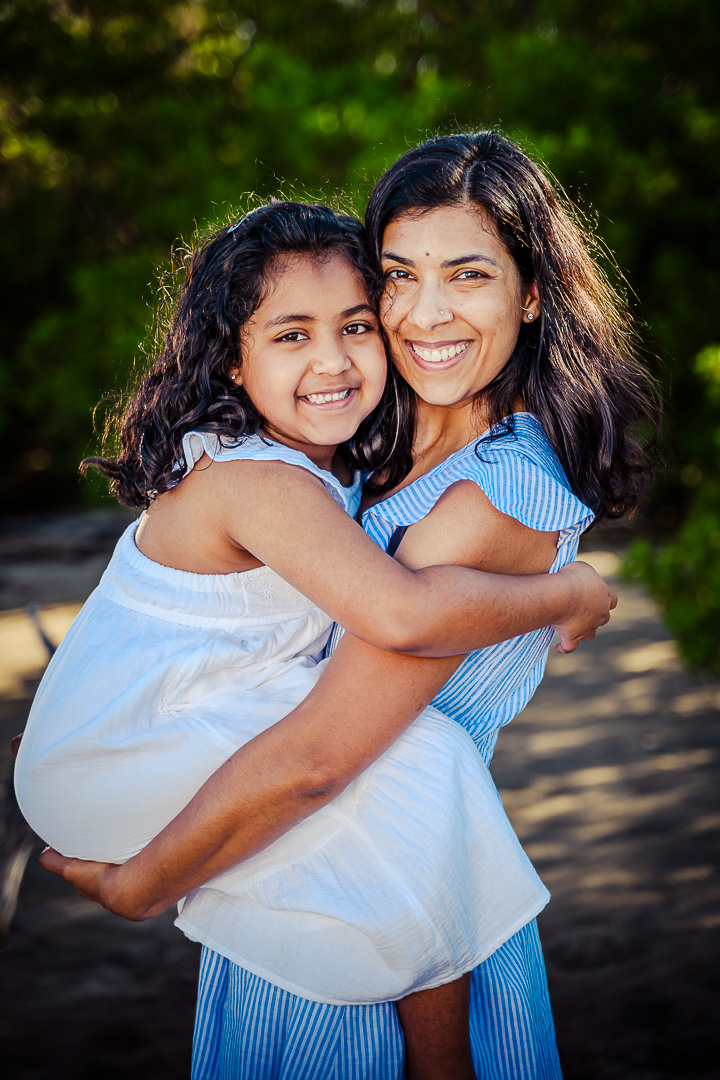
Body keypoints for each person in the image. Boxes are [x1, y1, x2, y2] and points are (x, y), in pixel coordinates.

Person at [15, 198, 616, 1078]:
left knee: (423, 763)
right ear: (231, 357)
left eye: (355, 326)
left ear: (533, 294)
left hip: (183, 764)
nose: (334, 360)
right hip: (133, 755)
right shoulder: (266, 478)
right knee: (428, 762)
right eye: (292, 335)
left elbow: (330, 709)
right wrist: (567, 592)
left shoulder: (432, 477)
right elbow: (404, 615)